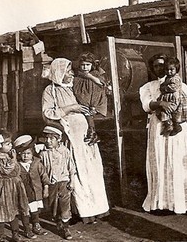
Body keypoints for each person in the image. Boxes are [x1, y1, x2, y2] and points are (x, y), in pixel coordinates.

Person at [42, 58, 110, 224]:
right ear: (59, 72)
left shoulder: (75, 85)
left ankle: (95, 209)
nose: (71, 73)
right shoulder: (51, 91)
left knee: (91, 171)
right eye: (67, 71)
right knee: (75, 172)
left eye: (71, 70)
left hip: (84, 137)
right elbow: (47, 114)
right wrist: (71, 108)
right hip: (70, 137)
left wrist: (92, 127)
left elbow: (93, 95)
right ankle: (78, 211)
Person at [139, 53, 187, 214]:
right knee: (161, 161)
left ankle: (184, 202)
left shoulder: (181, 85)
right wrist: (160, 103)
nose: (159, 68)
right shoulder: (148, 87)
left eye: (162, 65)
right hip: (158, 126)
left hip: (178, 125)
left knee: (177, 159)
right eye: (155, 66)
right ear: (152, 68)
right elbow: (146, 105)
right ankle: (161, 203)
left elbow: (185, 103)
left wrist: (174, 111)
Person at [0, 129, 35, 242]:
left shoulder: (8, 155)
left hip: (15, 185)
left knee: (15, 210)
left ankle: (15, 233)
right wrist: (14, 159)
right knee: (1, 210)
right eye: (7, 144)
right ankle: (1, 235)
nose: (11, 146)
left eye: (10, 143)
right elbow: (7, 170)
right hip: (4, 186)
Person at [39, 125, 76, 240]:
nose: (48, 141)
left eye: (52, 139)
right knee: (52, 205)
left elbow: (72, 167)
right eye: (47, 139)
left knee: (65, 205)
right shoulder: (43, 153)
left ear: (58, 139)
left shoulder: (64, 151)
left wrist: (72, 181)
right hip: (51, 183)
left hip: (63, 181)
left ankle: (65, 228)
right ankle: (58, 221)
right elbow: (42, 170)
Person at [13, 135, 50, 237]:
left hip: (35, 191)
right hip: (24, 192)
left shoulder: (37, 163)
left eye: (28, 153)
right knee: (25, 211)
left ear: (32, 153)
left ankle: (36, 225)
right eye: (23, 154)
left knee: (35, 210)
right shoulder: (17, 165)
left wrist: (46, 187)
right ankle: (26, 229)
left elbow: (44, 176)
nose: (25, 156)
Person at [73, 52, 108, 145]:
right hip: (83, 99)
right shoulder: (78, 76)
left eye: (88, 65)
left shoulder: (95, 74)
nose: (85, 67)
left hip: (94, 100)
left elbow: (99, 89)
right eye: (82, 65)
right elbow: (77, 90)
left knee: (88, 112)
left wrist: (94, 105)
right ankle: (91, 131)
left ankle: (92, 131)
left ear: (92, 65)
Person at [156, 57, 187, 136]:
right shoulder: (168, 78)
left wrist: (164, 88)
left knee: (174, 112)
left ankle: (176, 126)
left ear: (176, 69)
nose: (169, 72)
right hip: (169, 97)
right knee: (164, 111)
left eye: (171, 70)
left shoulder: (176, 78)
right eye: (167, 70)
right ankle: (168, 125)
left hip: (175, 98)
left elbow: (174, 87)